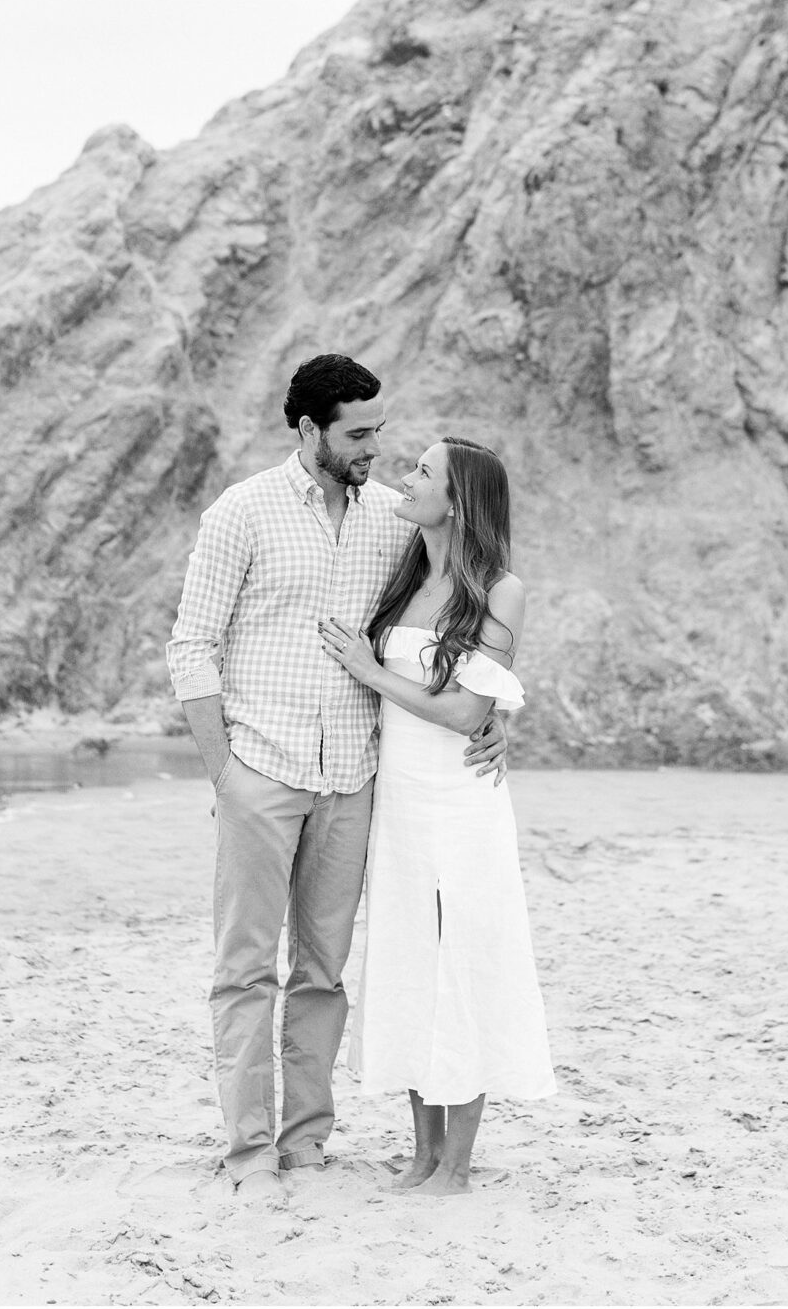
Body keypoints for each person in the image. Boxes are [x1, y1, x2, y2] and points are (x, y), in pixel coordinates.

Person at [166, 355, 508, 1200]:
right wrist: (224, 773)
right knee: (244, 971)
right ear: (310, 430)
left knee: (323, 972)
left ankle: (306, 1139)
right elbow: (191, 646)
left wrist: (495, 713)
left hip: (354, 777)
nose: (373, 449)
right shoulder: (239, 514)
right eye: (357, 434)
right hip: (262, 769)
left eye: (378, 433)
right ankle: (249, 1150)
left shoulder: (394, 518)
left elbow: (458, 617)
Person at [319, 435, 555, 1195]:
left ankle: (455, 1164)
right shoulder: (406, 570)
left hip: (460, 803)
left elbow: (463, 712)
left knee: (463, 967)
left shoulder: (499, 589)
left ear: (457, 501)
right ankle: (421, 1153)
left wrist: (366, 670)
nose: (405, 478)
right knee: (411, 961)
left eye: (423, 471)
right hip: (401, 802)